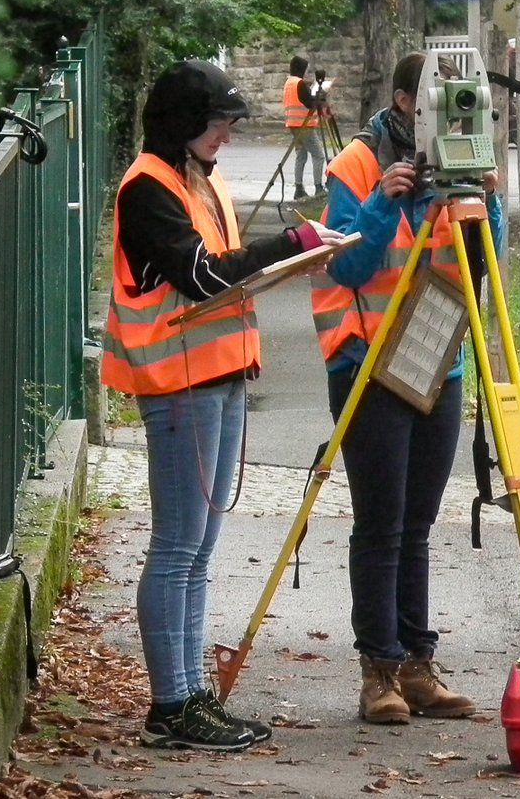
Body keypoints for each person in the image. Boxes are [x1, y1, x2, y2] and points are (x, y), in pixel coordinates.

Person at [101, 59, 343, 750]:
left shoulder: (197, 180)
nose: (226, 137)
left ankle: (188, 695)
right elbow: (203, 276)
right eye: (216, 124)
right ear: (182, 122)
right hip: (179, 382)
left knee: (198, 548)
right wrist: (290, 242)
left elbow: (225, 274)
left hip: (217, 374)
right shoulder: (149, 187)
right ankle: (172, 704)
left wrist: (296, 257)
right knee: (178, 546)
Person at [309, 51, 504, 725]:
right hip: (367, 360)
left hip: (436, 359)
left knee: (417, 523)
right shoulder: (358, 164)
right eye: (431, 103)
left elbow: (484, 262)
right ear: (402, 104)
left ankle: (418, 664)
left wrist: (487, 197)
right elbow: (347, 268)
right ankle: (379, 671)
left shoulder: (459, 167)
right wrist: (381, 202)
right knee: (381, 524)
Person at [284, 55, 326, 200]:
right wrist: (319, 96)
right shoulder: (299, 84)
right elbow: (309, 103)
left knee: (301, 156)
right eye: (305, 69)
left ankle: (299, 188)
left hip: (293, 124)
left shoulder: (289, 82)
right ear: (300, 69)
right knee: (319, 155)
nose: (306, 72)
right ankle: (318, 187)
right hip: (304, 125)